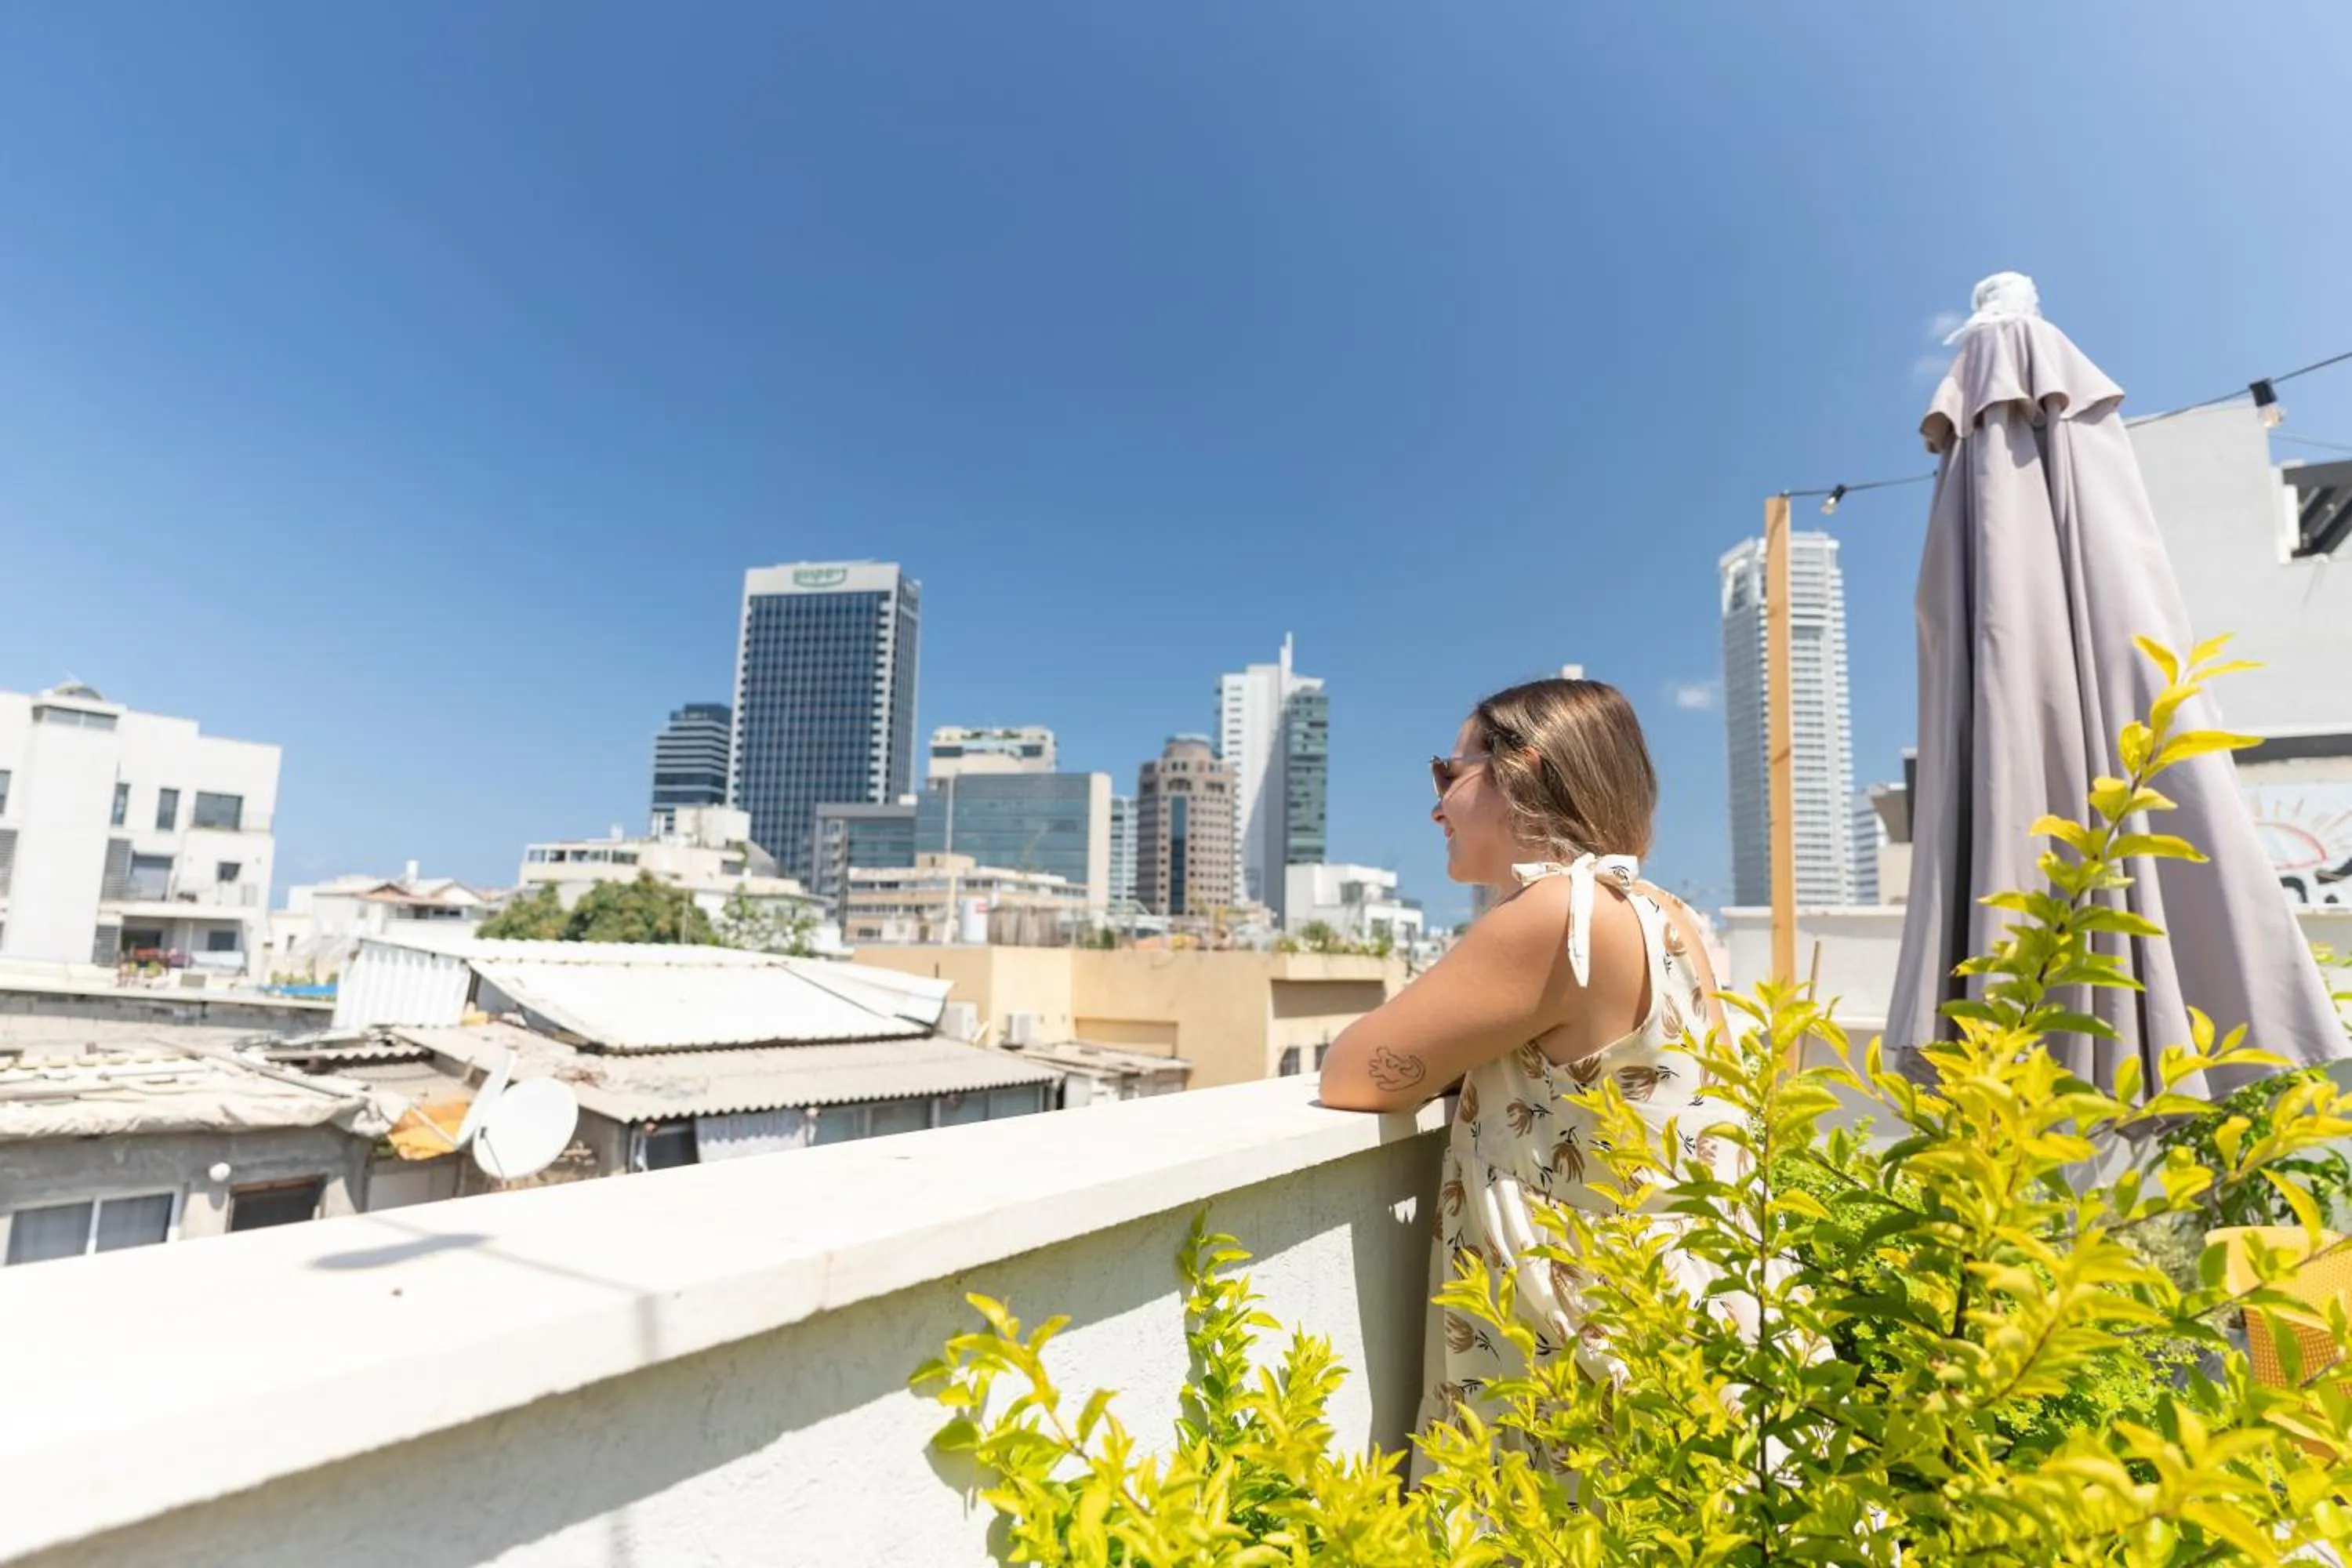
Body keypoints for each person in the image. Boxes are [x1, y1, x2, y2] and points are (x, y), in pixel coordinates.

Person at [1317, 677, 1746, 1465]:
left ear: (1523, 768)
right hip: (1685, 1309)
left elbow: (1351, 1072)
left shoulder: (1560, 914)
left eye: (1450, 772)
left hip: (1588, 1343)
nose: (1436, 805)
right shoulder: (1663, 911)